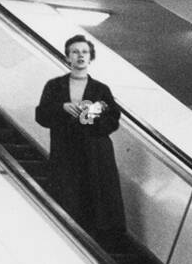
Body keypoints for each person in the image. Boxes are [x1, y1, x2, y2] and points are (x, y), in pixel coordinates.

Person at [34, 34, 127, 244]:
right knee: (67, 193)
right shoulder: (54, 86)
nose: (80, 56)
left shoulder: (101, 89)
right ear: (67, 57)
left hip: (96, 152)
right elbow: (41, 115)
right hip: (66, 150)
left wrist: (90, 117)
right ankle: (67, 238)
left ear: (90, 57)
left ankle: (97, 241)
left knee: (96, 194)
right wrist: (62, 107)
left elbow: (113, 120)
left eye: (84, 52)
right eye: (75, 52)